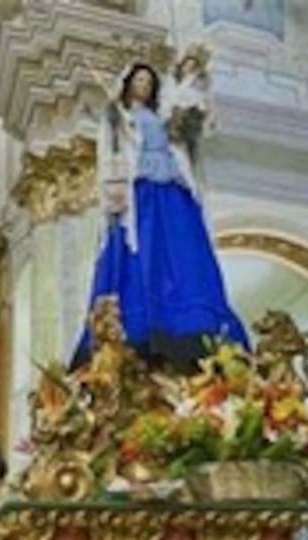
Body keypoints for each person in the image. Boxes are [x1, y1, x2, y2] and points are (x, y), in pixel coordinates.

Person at [70, 60, 248, 373]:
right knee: (145, 251)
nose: (144, 86)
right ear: (128, 85)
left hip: (170, 185)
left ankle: (195, 317)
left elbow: (187, 129)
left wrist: (193, 84)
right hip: (140, 191)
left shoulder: (161, 118)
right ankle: (146, 318)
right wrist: (113, 189)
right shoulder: (120, 117)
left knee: (183, 251)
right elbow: (110, 153)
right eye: (138, 81)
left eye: (149, 82)